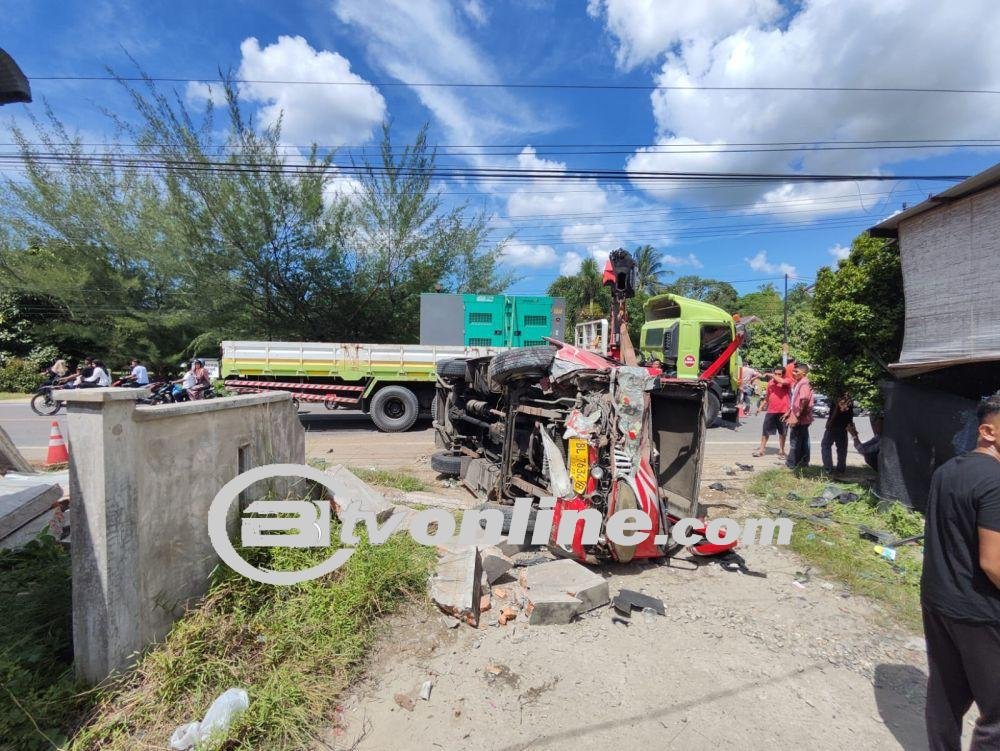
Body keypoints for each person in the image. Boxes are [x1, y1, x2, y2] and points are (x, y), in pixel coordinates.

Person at [920, 393, 1000, 750]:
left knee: (945, 696)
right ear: (988, 431)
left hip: (938, 601)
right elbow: (993, 562)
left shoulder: (947, 470)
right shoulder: (996, 482)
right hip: (980, 613)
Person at [753, 365, 791, 458]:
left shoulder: (787, 381)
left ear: (783, 375)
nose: (777, 375)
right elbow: (767, 397)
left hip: (784, 411)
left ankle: (781, 451)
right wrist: (760, 407)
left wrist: (770, 374)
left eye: (779, 374)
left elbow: (782, 381)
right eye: (775, 373)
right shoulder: (770, 383)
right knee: (765, 431)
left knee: (783, 432)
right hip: (771, 411)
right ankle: (761, 450)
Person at [783, 362, 814, 469]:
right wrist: (790, 411)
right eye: (793, 371)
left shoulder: (804, 383)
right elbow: (796, 401)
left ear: (804, 373)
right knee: (803, 440)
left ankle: (792, 464)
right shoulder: (799, 382)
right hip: (799, 417)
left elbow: (804, 400)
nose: (793, 373)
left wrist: (796, 416)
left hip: (800, 418)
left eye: (796, 371)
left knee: (795, 441)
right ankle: (803, 462)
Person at [821, 394, 853, 474]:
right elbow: (850, 415)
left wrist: (830, 422)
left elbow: (838, 410)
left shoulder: (840, 397)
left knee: (826, 445)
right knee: (842, 448)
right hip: (843, 426)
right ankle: (841, 469)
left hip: (834, 425)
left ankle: (829, 468)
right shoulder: (849, 399)